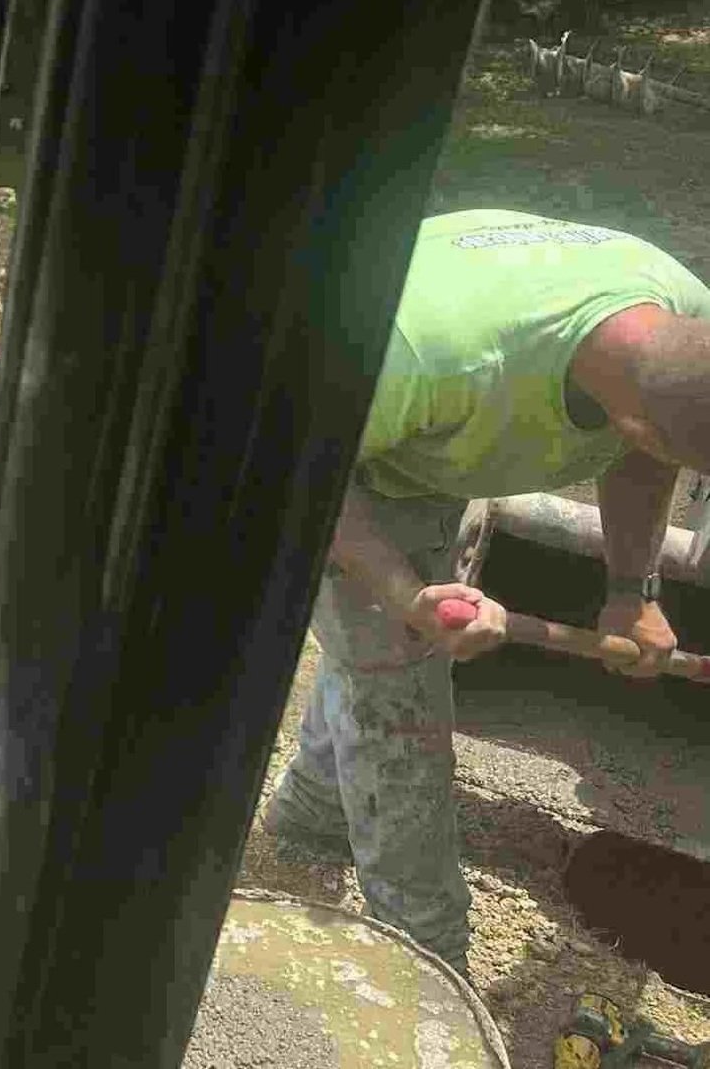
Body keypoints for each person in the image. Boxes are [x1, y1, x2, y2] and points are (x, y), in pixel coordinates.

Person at [263, 207, 710, 968]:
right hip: (329, 448)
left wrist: (633, 592)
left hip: (425, 427)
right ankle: (428, 954)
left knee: (369, 660)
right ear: (635, 423)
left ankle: (310, 812)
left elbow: (647, 454)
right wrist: (406, 594)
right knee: (396, 697)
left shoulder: (685, 324)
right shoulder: (422, 355)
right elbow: (299, 474)